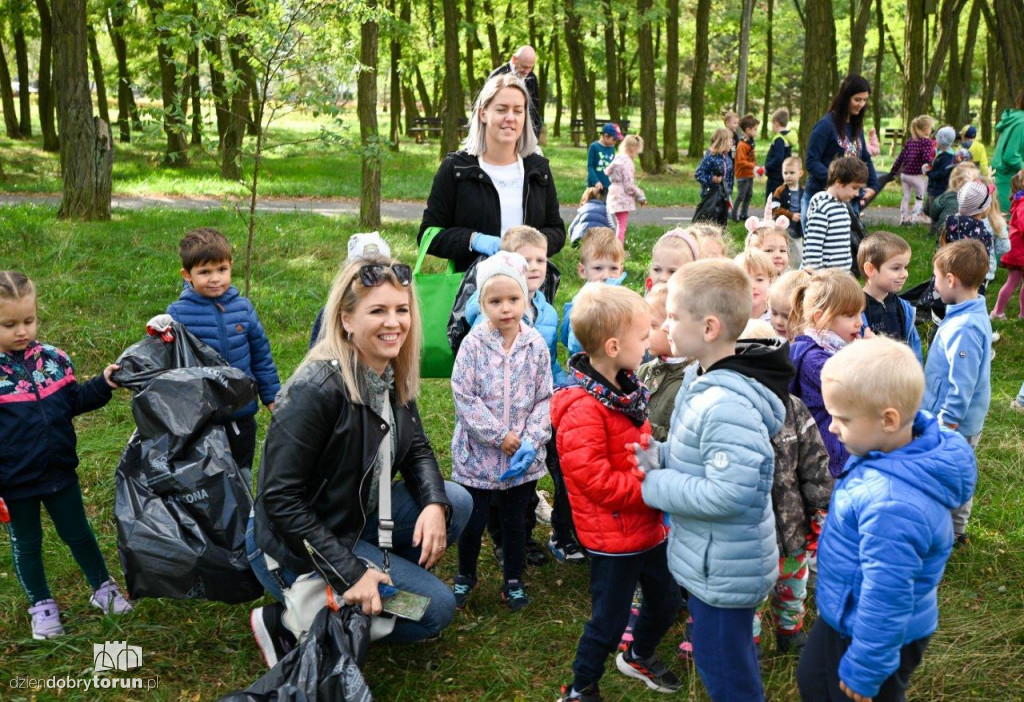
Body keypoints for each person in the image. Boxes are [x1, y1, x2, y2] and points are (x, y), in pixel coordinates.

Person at [248, 247, 473, 666]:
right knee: (435, 610)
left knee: (456, 502)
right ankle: (288, 619)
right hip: (296, 545)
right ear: (347, 319)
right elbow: (279, 501)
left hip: (357, 518)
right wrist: (352, 570)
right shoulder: (315, 390)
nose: (394, 323)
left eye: (402, 309)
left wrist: (434, 505)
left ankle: (377, 577)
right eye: (378, 311)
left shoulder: (389, 370)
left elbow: (418, 447)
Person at [639, 259, 793, 702]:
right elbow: (701, 458)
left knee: (725, 667)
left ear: (708, 327)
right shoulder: (700, 376)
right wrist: (661, 455)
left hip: (726, 566)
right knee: (720, 652)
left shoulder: (725, 403)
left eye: (672, 316)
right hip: (714, 557)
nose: (665, 325)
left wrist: (655, 485)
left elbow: (729, 492)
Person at [797, 337, 976, 702]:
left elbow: (887, 596)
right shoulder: (893, 446)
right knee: (813, 680)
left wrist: (866, 668)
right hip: (846, 611)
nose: (831, 427)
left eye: (842, 418)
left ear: (889, 419)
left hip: (874, 632)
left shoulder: (893, 506)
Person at [553, 284, 682, 701]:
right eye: (643, 337)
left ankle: (639, 654)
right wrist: (652, 487)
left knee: (665, 602)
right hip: (613, 538)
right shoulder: (582, 408)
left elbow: (639, 450)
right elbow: (595, 481)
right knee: (608, 620)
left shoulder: (626, 392)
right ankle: (581, 686)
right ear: (613, 345)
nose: (648, 344)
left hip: (647, 528)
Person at [0, 271, 132, 640]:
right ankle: (41, 604)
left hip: (61, 474)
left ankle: (101, 587)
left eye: (28, 320)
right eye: (9, 324)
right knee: (27, 543)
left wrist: (103, 384)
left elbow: (73, 401)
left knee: (79, 532)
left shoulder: (53, 360)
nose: (21, 331)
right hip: (14, 484)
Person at [462, 228, 578, 567]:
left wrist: (564, 386)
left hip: (529, 413)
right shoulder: (484, 315)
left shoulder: (547, 312)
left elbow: (548, 364)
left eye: (540, 259)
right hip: (494, 417)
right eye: (526, 260)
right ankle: (499, 539)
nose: (535, 266)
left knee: (524, 479)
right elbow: (471, 376)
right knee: (494, 482)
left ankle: (522, 536)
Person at [450, 252, 552, 612]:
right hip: (479, 457)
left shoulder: (535, 344)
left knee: (515, 522)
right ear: (482, 303)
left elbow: (544, 397)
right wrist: (499, 436)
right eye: (496, 301)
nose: (506, 308)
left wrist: (530, 439)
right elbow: (464, 396)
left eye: (514, 299)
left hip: (520, 460)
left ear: (526, 299)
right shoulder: (473, 345)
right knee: (473, 521)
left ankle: (513, 579)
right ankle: (465, 574)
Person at [740, 320, 832, 656]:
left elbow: (816, 465)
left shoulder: (794, 409)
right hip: (751, 538)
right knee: (752, 596)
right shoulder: (732, 414)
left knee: (793, 587)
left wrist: (819, 513)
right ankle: (748, 645)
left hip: (793, 529)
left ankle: (789, 630)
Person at [166, 228, 281, 484]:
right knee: (205, 477)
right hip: (201, 418)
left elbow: (261, 355)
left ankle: (241, 514)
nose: (215, 278)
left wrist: (272, 396)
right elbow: (170, 365)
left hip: (241, 412)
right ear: (187, 275)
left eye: (222, 269)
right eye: (205, 272)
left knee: (241, 472)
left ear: (231, 266)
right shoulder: (178, 314)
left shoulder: (243, 308)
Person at [419, 72, 565, 273]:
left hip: (527, 289)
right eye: (501, 109)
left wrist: (534, 247)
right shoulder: (456, 168)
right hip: (472, 289)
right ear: (483, 113)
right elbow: (429, 235)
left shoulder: (538, 169)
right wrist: (474, 240)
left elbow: (557, 230)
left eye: (518, 110)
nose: (510, 118)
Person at [922, 239, 992, 548]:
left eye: (936, 278)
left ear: (951, 280)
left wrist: (946, 422)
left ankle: (952, 532)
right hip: (955, 421)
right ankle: (954, 529)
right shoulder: (968, 313)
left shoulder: (964, 327)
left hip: (954, 424)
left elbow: (962, 383)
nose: (934, 284)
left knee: (952, 476)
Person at [788, 269, 868, 478]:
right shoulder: (815, 361)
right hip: (832, 458)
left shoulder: (836, 349)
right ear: (821, 317)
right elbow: (857, 391)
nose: (859, 322)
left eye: (860, 313)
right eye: (850, 315)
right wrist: (871, 357)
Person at [802, 74, 879, 225]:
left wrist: (874, 186)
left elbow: (865, 157)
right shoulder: (825, 126)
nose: (861, 104)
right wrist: (839, 182)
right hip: (821, 199)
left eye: (864, 100)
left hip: (849, 201)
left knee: (849, 248)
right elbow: (812, 161)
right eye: (857, 99)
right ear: (845, 97)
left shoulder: (857, 127)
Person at [560, 227, 626, 358]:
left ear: (621, 270)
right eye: (598, 268)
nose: (606, 275)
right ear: (583, 271)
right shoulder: (581, 301)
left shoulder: (625, 300)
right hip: (585, 366)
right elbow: (572, 342)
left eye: (613, 268)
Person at [637, 284, 690, 442]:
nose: (644, 332)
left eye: (652, 326)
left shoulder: (691, 379)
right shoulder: (643, 371)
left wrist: (643, 429)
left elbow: (683, 440)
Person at [858, 231, 922, 361]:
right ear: (870, 269)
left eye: (906, 267)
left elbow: (915, 348)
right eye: (896, 268)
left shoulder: (904, 308)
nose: (905, 274)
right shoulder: (855, 309)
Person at [803, 156, 869, 271]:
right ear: (839, 182)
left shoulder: (842, 205)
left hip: (840, 276)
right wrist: (816, 276)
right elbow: (812, 248)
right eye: (854, 188)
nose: (857, 193)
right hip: (824, 279)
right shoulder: (822, 208)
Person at [489, 45, 542, 138]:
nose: (527, 72)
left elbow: (535, 109)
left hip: (525, 135)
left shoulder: (532, 77)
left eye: (531, 68)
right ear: (514, 59)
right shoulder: (496, 76)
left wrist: (535, 135)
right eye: (524, 67)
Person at [891, 115, 935, 225]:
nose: (931, 130)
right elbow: (926, 158)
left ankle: (903, 219)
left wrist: (893, 171)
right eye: (931, 127)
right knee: (919, 198)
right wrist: (932, 163)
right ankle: (914, 219)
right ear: (926, 129)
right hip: (916, 176)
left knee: (906, 197)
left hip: (905, 175)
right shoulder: (926, 142)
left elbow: (900, 157)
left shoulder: (910, 141)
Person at [992, 169, 1024, 319]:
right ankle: (997, 312)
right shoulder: (1023, 204)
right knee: (1012, 282)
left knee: (1015, 283)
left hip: (1019, 252)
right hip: (1019, 253)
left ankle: (1022, 314)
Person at [605, 134, 647, 243]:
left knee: (616, 224)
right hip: (622, 198)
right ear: (634, 149)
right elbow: (629, 186)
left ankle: (613, 248)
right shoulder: (627, 163)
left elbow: (611, 176)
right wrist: (641, 196)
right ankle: (618, 251)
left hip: (613, 194)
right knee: (621, 227)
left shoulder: (617, 159)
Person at [928, 161, 980, 243]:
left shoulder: (948, 197)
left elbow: (934, 214)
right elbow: (945, 227)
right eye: (975, 182)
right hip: (953, 246)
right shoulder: (954, 203)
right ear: (958, 181)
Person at [694, 128, 735, 226]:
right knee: (709, 223)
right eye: (730, 140)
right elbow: (698, 173)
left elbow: (729, 179)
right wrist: (711, 179)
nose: (732, 142)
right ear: (723, 142)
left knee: (722, 224)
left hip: (724, 197)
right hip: (711, 197)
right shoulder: (710, 157)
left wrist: (729, 196)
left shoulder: (727, 158)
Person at [993, 87, 1024, 212]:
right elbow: (1010, 156)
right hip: (1009, 184)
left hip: (1008, 181)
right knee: (1009, 225)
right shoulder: (1021, 122)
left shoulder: (1018, 119)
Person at [773, 156, 806, 267]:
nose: (788, 176)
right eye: (785, 173)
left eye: (792, 173)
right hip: (784, 228)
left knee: (798, 252)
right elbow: (774, 209)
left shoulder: (803, 191)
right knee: (785, 251)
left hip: (798, 228)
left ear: (800, 173)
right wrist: (790, 215)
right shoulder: (780, 190)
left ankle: (796, 273)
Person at [735, 248, 777, 322]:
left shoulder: (777, 321)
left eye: (759, 280)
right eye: (745, 280)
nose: (752, 286)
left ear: (771, 282)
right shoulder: (728, 319)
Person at [764, 108, 798, 196]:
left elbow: (778, 158)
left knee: (772, 200)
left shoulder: (779, 139)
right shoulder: (786, 137)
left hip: (775, 176)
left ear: (776, 123)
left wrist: (767, 167)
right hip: (782, 174)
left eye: (772, 124)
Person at [924, 126, 958, 215]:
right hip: (933, 187)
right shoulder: (941, 153)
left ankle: (937, 228)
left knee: (934, 214)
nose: (935, 141)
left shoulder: (947, 157)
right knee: (927, 210)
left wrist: (928, 173)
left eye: (937, 139)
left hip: (938, 190)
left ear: (942, 140)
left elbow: (941, 174)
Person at [769, 269, 811, 340]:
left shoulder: (809, 350)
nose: (778, 321)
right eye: (774, 313)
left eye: (787, 317)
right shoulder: (769, 339)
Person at [733, 115, 760, 222]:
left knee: (749, 195)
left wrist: (755, 169)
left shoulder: (751, 143)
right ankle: (734, 215)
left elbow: (752, 158)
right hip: (742, 175)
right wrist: (754, 166)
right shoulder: (742, 145)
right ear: (748, 130)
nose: (756, 132)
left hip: (749, 174)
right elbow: (741, 161)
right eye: (755, 129)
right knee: (741, 196)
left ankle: (744, 214)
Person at [587, 122, 622, 194]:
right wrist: (596, 181)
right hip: (595, 185)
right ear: (606, 136)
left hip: (608, 185)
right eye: (614, 139)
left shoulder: (612, 148)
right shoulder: (594, 147)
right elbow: (590, 166)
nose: (615, 142)